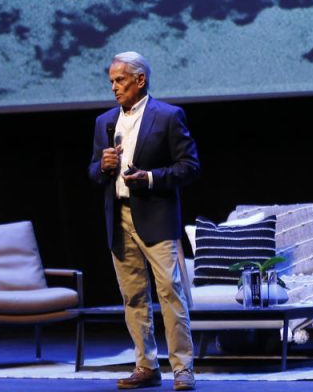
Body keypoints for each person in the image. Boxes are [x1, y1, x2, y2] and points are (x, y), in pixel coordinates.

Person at [89, 52, 200, 391]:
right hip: (119, 217)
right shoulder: (104, 122)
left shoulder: (168, 116)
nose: (113, 88)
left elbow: (189, 166)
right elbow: (94, 172)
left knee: (170, 293)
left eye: (119, 80)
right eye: (111, 81)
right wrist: (104, 166)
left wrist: (150, 178)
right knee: (133, 297)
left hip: (156, 217)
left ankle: (182, 369)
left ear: (140, 81)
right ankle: (146, 366)